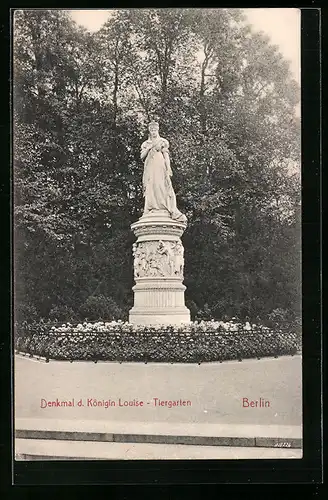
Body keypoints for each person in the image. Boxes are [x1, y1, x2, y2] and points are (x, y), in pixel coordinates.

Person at [141, 121, 187, 223]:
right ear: (149, 131)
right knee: (151, 185)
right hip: (150, 166)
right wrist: (149, 148)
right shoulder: (146, 144)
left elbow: (166, 156)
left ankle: (163, 207)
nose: (153, 132)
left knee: (161, 185)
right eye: (151, 130)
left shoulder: (162, 142)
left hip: (160, 164)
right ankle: (152, 207)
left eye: (155, 130)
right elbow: (142, 157)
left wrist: (168, 168)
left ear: (158, 130)